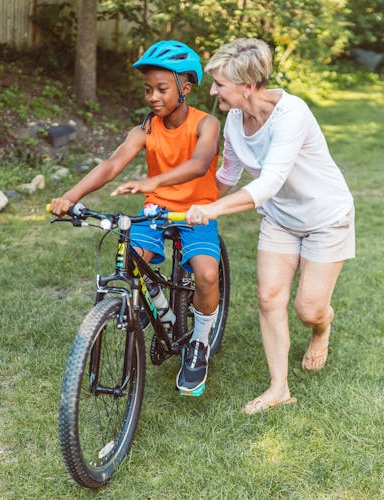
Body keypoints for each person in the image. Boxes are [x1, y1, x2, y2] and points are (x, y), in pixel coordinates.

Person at [185, 38, 355, 415]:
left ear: (248, 85)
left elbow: (268, 183)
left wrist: (213, 210)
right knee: (268, 297)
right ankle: (279, 387)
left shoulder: (291, 114)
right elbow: (228, 171)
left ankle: (322, 326)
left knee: (309, 309)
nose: (212, 91)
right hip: (281, 218)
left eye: (220, 84)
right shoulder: (234, 119)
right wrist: (188, 204)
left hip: (325, 216)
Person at [49, 40, 222, 396]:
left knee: (206, 274)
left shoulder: (207, 124)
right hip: (156, 210)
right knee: (131, 262)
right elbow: (112, 165)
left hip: (197, 210)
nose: (153, 97)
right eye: (148, 90)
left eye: (162, 89)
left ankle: (200, 344)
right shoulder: (144, 129)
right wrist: (70, 196)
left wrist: (152, 180)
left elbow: (199, 164)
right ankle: (149, 307)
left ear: (185, 89)